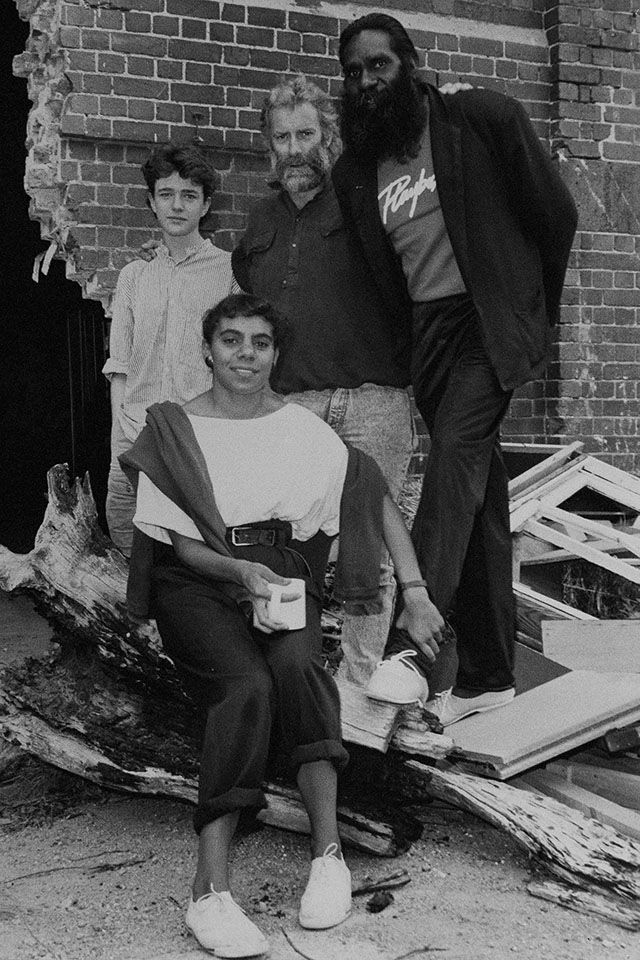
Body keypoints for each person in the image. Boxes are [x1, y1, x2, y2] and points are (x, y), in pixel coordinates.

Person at [119, 293, 443, 957]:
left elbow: (373, 499)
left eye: (259, 342)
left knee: (298, 670)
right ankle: (208, 892)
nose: (245, 354)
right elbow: (181, 548)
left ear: (275, 354)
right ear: (207, 350)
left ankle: (328, 858)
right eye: (231, 340)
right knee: (245, 686)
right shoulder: (176, 428)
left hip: (283, 575)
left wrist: (414, 592)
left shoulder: (303, 429)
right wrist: (240, 575)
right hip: (200, 581)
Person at [332, 13, 578, 725]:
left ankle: (414, 647)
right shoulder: (359, 171)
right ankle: (488, 675)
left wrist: (530, 306)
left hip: (486, 320)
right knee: (481, 496)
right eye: (353, 72)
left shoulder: (477, 117)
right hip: (430, 337)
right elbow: (381, 275)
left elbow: (555, 215)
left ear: (409, 62)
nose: (367, 82)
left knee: (453, 463)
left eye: (378, 65)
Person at [231, 75, 415, 687]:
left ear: (328, 137)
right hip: (295, 404)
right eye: (281, 137)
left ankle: (357, 683)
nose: (293, 148)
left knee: (373, 551)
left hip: (374, 402)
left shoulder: (367, 202)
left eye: (305, 133)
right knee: (286, 542)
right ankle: (295, 678)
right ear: (268, 145)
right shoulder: (258, 223)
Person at [102, 141, 237, 556]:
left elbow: (234, 363)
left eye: (189, 196)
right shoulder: (134, 276)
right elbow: (120, 366)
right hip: (133, 429)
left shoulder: (229, 272)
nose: (177, 206)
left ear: (205, 205)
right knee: (125, 526)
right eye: (166, 194)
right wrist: (117, 437)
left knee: (195, 540)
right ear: (152, 202)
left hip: (198, 433)